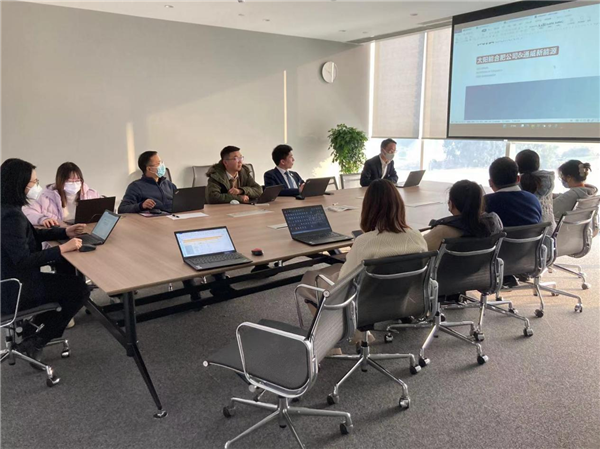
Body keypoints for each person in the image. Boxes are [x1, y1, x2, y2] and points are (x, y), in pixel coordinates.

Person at [1, 158, 88, 365]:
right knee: (79, 289)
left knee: (67, 283)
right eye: (33, 182)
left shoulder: (7, 208)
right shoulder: (11, 216)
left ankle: (31, 328)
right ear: (19, 184)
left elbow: (31, 235)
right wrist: (62, 249)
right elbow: (23, 260)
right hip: (15, 289)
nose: (36, 186)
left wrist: (64, 232)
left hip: (9, 280)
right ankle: (36, 341)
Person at [424, 180, 503, 251]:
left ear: (451, 204)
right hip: (482, 263)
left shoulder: (442, 231)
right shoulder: (493, 223)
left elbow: (421, 253)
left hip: (449, 263)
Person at [23, 162, 101, 227]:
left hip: (85, 231)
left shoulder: (91, 194)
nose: (74, 184)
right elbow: (27, 213)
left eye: (77, 180)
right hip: (60, 233)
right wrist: (42, 219)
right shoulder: (46, 197)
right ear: (61, 181)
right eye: (70, 181)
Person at [484, 157, 542, 227]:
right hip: (533, 234)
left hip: (501, 235)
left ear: (490, 182)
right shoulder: (534, 200)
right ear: (518, 179)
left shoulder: (485, 202)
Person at [515, 149, 556, 230]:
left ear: (517, 166)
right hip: (550, 230)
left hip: (529, 233)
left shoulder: (517, 186)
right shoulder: (548, 181)